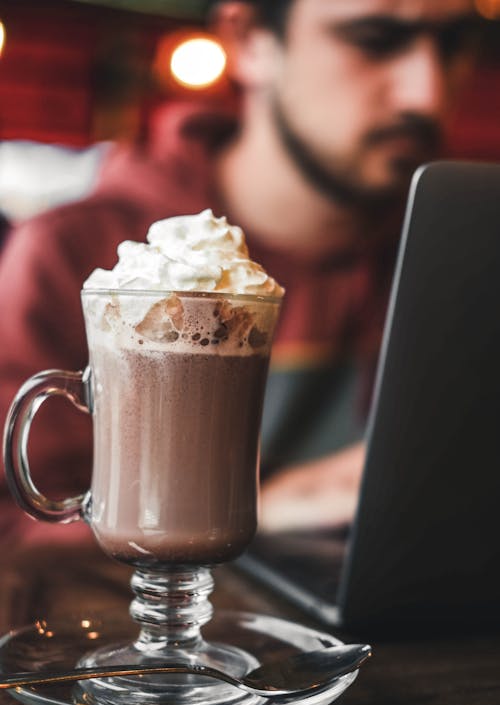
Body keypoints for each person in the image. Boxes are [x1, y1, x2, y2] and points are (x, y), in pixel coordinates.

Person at [0, 0, 480, 542]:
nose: (428, 93)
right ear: (250, 39)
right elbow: (12, 528)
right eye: (374, 39)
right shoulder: (78, 254)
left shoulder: (466, 259)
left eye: (456, 43)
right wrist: (256, 512)